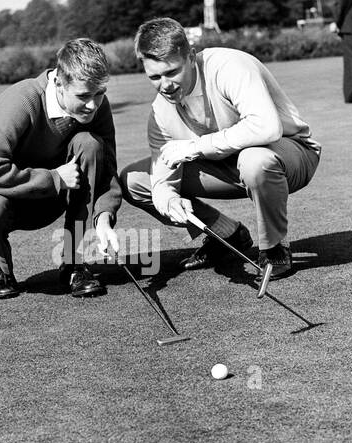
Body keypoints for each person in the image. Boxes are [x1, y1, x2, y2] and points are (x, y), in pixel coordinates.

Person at [119, 18, 320, 281]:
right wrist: (168, 200)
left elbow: (267, 128)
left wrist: (194, 147)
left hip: (289, 155)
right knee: (134, 180)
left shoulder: (229, 66)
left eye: (172, 72)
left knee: (254, 160)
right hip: (227, 167)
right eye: (155, 77)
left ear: (191, 57)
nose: (165, 85)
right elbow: (161, 181)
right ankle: (227, 234)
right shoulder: (160, 111)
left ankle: (274, 248)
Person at [0, 38, 122, 300]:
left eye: (100, 92)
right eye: (82, 96)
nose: (93, 105)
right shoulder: (19, 101)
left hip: (52, 200)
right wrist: (55, 178)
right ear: (58, 82)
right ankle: (0, 261)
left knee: (90, 144)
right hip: (2, 198)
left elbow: (106, 170)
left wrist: (103, 215)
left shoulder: (96, 106)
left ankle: (73, 262)